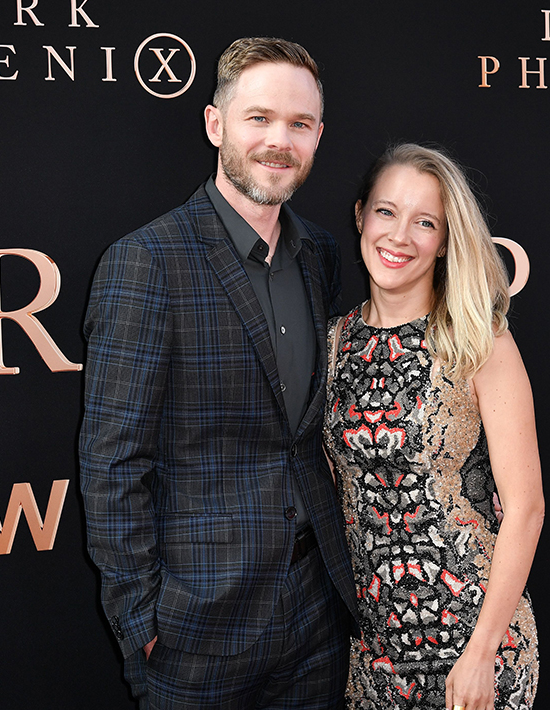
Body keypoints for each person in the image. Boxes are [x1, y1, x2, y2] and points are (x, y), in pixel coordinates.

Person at [79, 37, 357, 710]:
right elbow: (113, 462)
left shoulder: (321, 255)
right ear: (215, 124)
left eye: (299, 123)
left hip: (318, 614)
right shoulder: (146, 261)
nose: (279, 141)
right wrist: (143, 626)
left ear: (318, 136)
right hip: (197, 628)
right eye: (258, 118)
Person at [324, 144, 544, 710]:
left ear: (444, 241)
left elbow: (526, 508)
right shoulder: (332, 344)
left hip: (475, 639)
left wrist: (482, 653)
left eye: (425, 222)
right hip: (373, 652)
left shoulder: (478, 341)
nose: (399, 236)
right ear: (360, 216)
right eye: (386, 211)